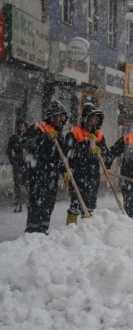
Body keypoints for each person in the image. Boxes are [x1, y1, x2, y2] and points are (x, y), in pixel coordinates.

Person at [22, 100, 68, 234]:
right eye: (59, 115)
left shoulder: (59, 134)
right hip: (37, 174)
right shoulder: (38, 127)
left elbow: (61, 155)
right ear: (51, 115)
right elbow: (26, 143)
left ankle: (43, 229)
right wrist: (45, 138)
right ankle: (32, 230)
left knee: (49, 202)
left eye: (63, 116)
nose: (62, 119)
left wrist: (64, 170)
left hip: (51, 175)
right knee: (36, 202)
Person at [64, 103, 108, 225]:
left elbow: (105, 152)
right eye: (93, 117)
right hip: (78, 173)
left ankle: (86, 230)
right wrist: (86, 146)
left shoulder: (99, 134)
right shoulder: (74, 133)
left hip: (93, 174)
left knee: (90, 204)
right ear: (86, 117)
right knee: (76, 203)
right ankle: (70, 230)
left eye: (97, 117)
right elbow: (68, 153)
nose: (95, 120)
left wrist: (99, 149)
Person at [6, 119, 28, 213]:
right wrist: (13, 161)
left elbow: (34, 150)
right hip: (18, 164)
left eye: (22, 126)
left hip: (27, 164)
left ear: (25, 127)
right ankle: (18, 204)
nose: (20, 128)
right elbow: (9, 150)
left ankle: (31, 204)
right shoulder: (14, 138)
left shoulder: (29, 137)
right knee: (17, 185)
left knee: (28, 185)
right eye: (19, 126)